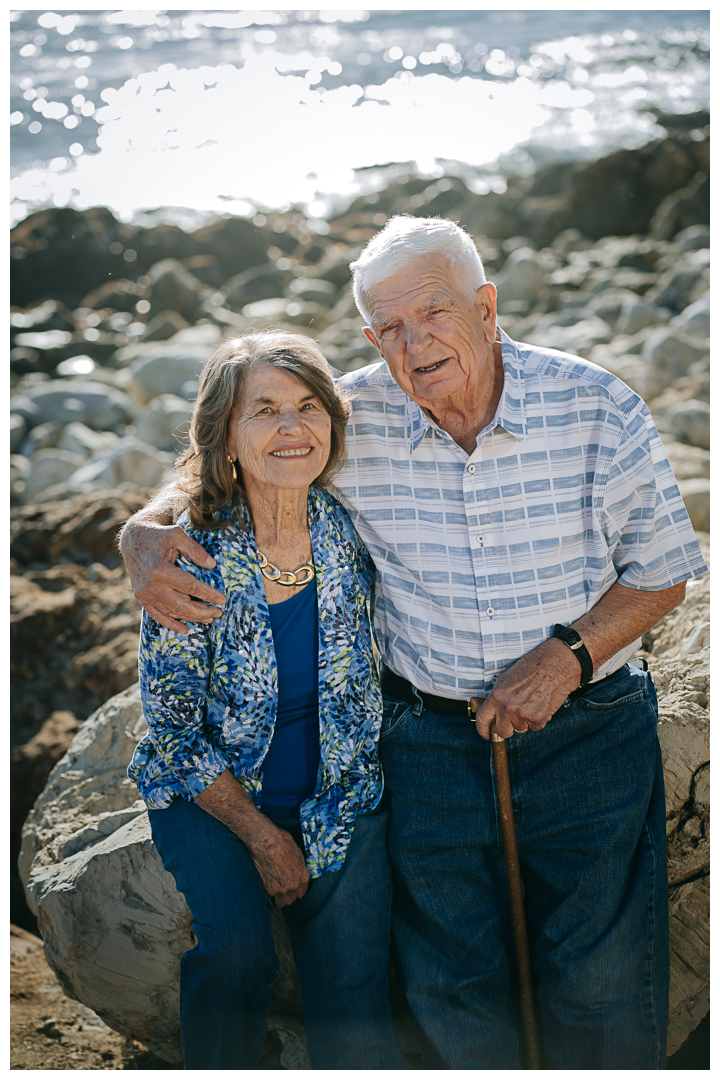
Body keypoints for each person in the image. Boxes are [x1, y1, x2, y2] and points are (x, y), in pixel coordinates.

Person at [120, 217, 707, 1070]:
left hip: (589, 731)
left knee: (603, 983)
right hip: (427, 744)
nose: (414, 342)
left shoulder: (595, 405)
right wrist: (141, 531)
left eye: (433, 312)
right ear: (368, 337)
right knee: (450, 987)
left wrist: (565, 656)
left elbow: (664, 573)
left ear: (487, 306)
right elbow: (242, 457)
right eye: (388, 327)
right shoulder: (353, 416)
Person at [126, 330, 406, 1070]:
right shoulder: (187, 556)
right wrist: (264, 838)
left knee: (354, 988)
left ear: (333, 425)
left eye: (309, 407)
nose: (291, 427)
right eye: (265, 410)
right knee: (241, 955)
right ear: (224, 436)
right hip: (212, 797)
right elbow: (175, 732)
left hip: (341, 791)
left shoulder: (348, 526)